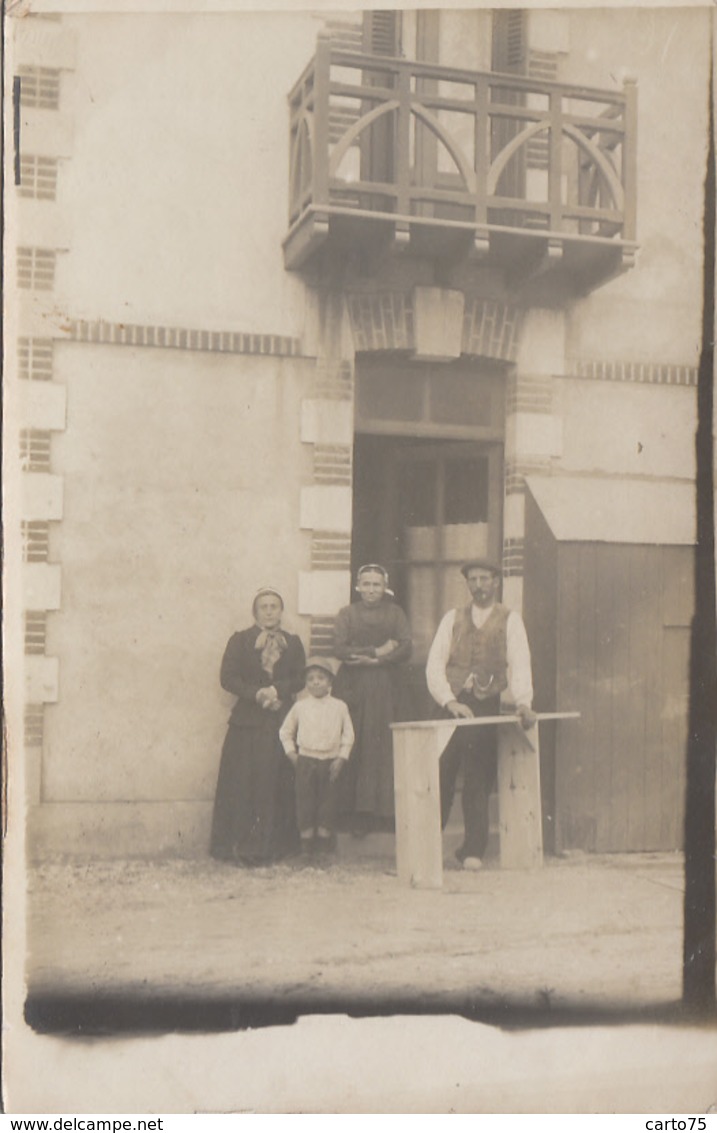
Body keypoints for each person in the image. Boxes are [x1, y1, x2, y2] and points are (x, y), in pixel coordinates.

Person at [426, 558, 536, 871]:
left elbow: (520, 662)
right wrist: (449, 701)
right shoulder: (453, 618)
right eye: (473, 579)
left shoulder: (510, 620)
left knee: (478, 775)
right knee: (440, 772)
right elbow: (434, 666)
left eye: (484, 579)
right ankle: (427, 844)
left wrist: (523, 701)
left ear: (496, 582)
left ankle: (472, 850)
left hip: (485, 704)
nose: (478, 585)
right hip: (450, 703)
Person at [210, 587, 306, 866]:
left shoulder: (293, 642)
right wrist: (257, 695)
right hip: (248, 722)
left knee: (276, 782)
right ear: (255, 612)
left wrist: (276, 691)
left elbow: (301, 678)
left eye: (274, 606)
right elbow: (228, 678)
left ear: (281, 611)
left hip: (280, 719)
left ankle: (275, 848)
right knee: (245, 782)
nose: (269, 611)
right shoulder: (240, 641)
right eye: (263, 606)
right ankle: (240, 847)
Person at [332, 564, 412, 834]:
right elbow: (340, 649)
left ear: (384, 586)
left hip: (384, 686)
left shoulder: (395, 613)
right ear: (358, 586)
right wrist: (377, 650)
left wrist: (377, 659)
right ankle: (353, 815)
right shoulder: (347, 614)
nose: (371, 590)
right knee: (354, 741)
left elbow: (405, 647)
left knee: (380, 744)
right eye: (366, 584)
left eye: (376, 584)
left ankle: (383, 813)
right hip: (352, 686)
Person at [279, 657, 355, 857]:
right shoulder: (300, 707)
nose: (315, 682)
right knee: (305, 803)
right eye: (310, 678)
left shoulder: (340, 707)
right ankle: (306, 848)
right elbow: (285, 731)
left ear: (330, 682)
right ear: (305, 683)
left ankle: (323, 847)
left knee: (327, 804)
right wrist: (292, 754)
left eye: (321, 678)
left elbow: (348, 734)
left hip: (330, 763)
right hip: (305, 761)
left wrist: (341, 758)